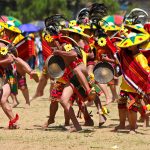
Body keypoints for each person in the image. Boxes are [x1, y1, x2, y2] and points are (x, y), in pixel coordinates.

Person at [115, 30, 150, 134]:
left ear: (135, 45)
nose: (128, 46)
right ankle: (122, 124)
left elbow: (145, 72)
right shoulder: (126, 55)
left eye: (130, 44)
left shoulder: (140, 57)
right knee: (121, 106)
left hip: (135, 88)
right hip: (124, 86)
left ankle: (132, 128)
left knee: (132, 108)